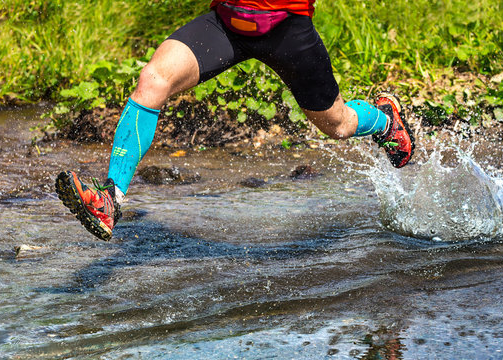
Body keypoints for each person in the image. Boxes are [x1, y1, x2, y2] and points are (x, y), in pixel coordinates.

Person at [55, 0, 415, 241]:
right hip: (226, 24)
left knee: (338, 123)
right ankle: (110, 200)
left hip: (286, 29)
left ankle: (384, 122)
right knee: (153, 80)